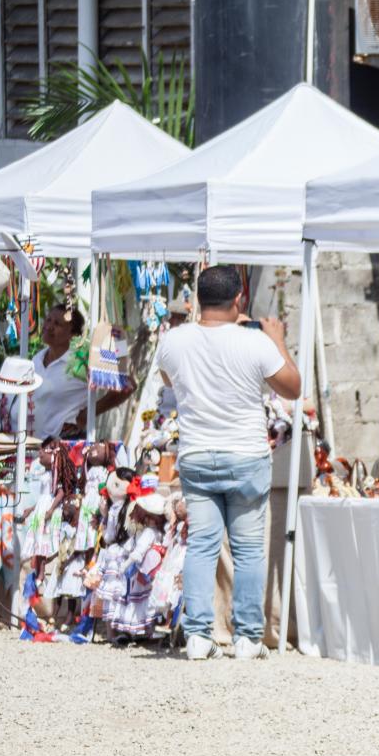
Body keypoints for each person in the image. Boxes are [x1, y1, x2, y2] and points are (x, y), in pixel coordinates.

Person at [153, 266, 302, 661]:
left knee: (201, 545)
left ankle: (198, 635)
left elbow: (169, 380)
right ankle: (248, 638)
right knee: (248, 550)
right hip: (246, 455)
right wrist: (277, 338)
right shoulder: (255, 342)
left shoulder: (173, 340)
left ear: (198, 299)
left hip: (197, 454)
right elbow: (293, 387)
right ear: (239, 299)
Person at [0, 306, 133, 439]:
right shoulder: (37, 359)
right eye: (48, 320)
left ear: (73, 334)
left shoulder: (81, 361)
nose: (49, 326)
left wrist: (86, 415)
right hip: (33, 446)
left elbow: (128, 386)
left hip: (65, 445)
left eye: (57, 324)